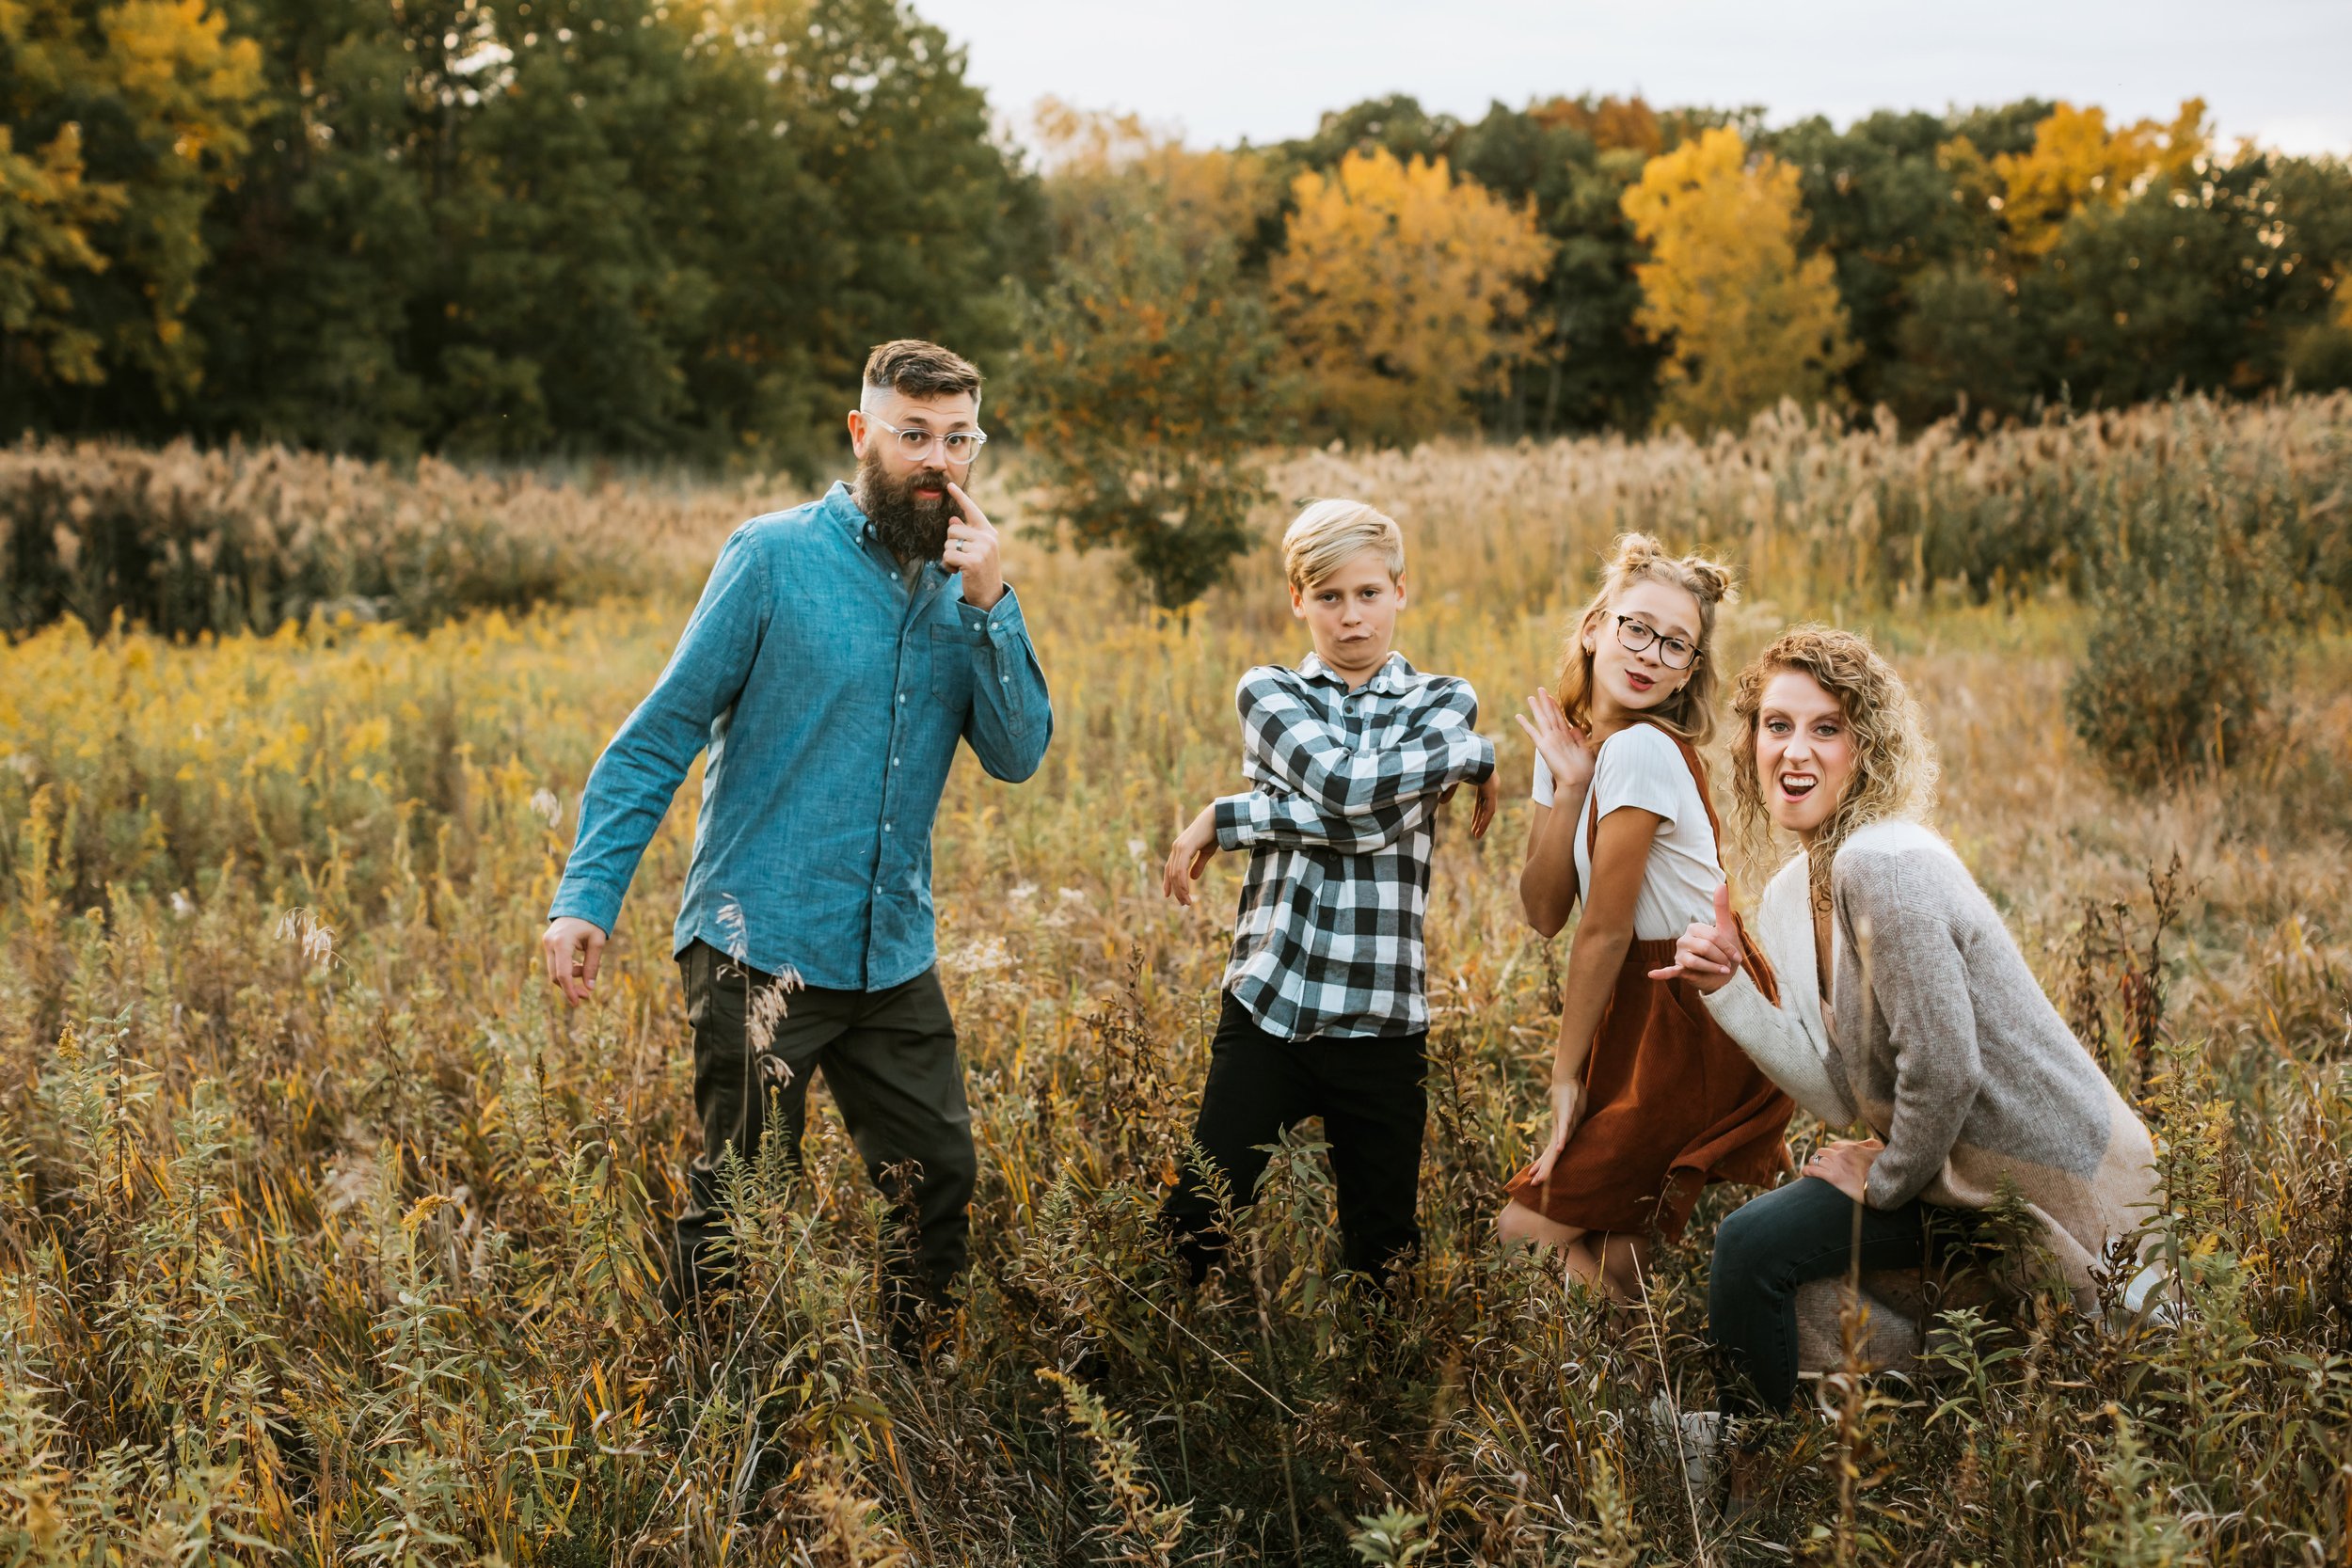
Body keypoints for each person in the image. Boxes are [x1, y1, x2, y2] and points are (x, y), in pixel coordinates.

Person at [538, 340, 1052, 1338]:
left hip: (890, 952)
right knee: (740, 1204)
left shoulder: (968, 584)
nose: (937, 462)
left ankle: (911, 1399)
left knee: (937, 1181)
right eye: (913, 436)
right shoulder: (772, 557)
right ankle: (713, 1410)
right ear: (862, 434)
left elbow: (1018, 751)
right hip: (754, 944)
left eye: (958, 439)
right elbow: (660, 734)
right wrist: (584, 896)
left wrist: (992, 603)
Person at [1655, 625, 2159, 1418]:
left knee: (1750, 1245)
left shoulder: (1885, 863)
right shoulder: (1796, 890)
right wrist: (1729, 989)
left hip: (2045, 1178)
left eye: (1828, 728)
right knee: (1814, 1286)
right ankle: (1890, 1426)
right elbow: (1837, 1093)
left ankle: (1744, 1461)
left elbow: (1946, 1066)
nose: (1795, 750)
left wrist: (1886, 1180)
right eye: (1777, 725)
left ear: (1869, 748)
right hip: (1950, 1168)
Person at [1158, 499, 1498, 1289]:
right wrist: (1461, 759)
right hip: (1272, 1003)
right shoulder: (1269, 691)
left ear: (1402, 590)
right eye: (1331, 597)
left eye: (1370, 593)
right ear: (1297, 600)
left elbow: (1370, 817)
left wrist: (1233, 816)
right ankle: (1133, 1369)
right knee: (1195, 1221)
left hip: (1383, 1019)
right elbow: (1353, 798)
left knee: (1385, 1253)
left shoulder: (1446, 702)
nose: (1352, 618)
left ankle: (1379, 1408)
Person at [1497, 534, 1793, 1302]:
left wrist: (1566, 1077)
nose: (1649, 653)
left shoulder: (1643, 752)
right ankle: (1660, 1419)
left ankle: (1656, 1416)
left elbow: (1605, 929)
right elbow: (1543, 910)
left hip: (1690, 1003)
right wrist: (1567, 790)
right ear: (1596, 624)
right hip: (1641, 1004)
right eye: (1636, 627)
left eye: (1675, 644)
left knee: (1527, 1231)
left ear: (1690, 669)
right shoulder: (1574, 743)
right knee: (1600, 1254)